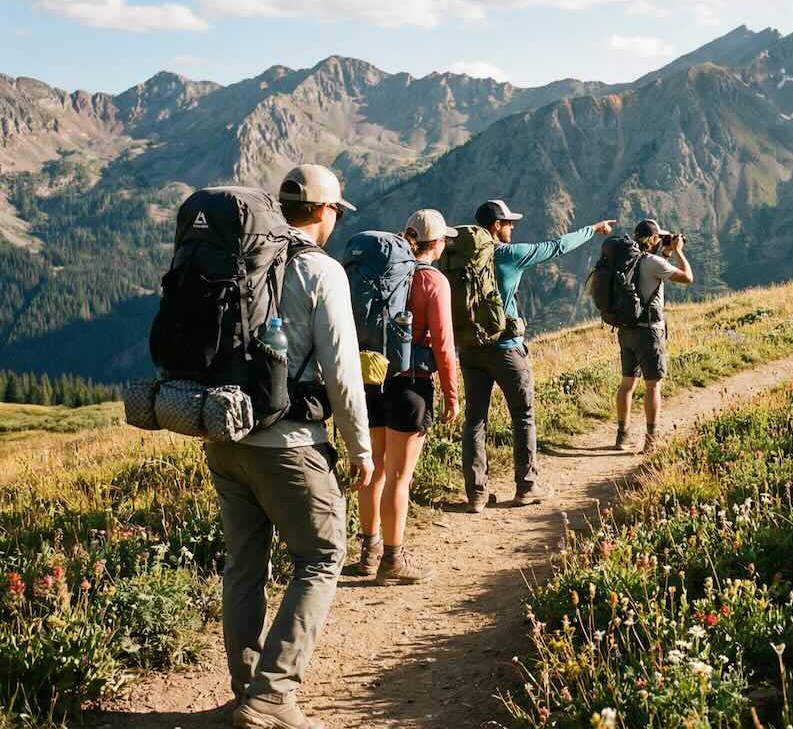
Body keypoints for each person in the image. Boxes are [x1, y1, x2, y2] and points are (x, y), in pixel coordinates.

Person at [207, 164, 372, 729]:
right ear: (324, 211)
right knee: (322, 556)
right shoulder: (320, 270)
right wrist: (361, 449)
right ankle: (273, 696)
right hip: (290, 443)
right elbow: (342, 371)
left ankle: (246, 688)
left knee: (244, 565)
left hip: (226, 435)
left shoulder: (240, 257)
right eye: (336, 212)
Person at [461, 200, 613, 511]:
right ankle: (527, 486)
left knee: (475, 420)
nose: (512, 227)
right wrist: (592, 230)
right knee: (523, 415)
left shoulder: (462, 256)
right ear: (495, 226)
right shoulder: (510, 255)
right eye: (508, 222)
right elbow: (556, 247)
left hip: (470, 348)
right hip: (505, 349)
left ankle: (476, 494)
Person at [347, 210, 460, 584]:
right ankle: (393, 560)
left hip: (371, 378)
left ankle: (370, 552)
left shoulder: (381, 274)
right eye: (445, 240)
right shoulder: (432, 280)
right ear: (437, 243)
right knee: (399, 475)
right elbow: (443, 344)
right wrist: (452, 394)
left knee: (374, 469)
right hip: (411, 385)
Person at [615, 218, 693, 454]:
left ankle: (622, 436)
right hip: (649, 331)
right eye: (659, 238)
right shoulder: (653, 262)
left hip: (626, 329)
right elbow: (687, 278)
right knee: (653, 386)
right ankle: (651, 441)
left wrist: (665, 253)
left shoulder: (629, 260)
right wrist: (678, 251)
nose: (662, 241)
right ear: (653, 239)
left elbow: (650, 271)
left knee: (627, 384)